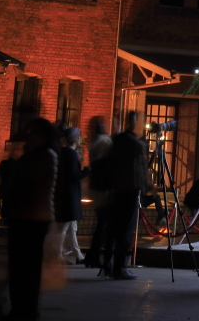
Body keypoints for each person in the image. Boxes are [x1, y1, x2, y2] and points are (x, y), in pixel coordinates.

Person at [3, 116, 59, 321]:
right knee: (19, 267)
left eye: (33, 133)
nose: (29, 138)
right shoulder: (36, 155)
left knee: (28, 269)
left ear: (42, 136)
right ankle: (20, 307)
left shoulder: (45, 156)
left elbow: (29, 183)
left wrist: (15, 165)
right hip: (25, 216)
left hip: (34, 219)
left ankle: (26, 309)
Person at [107, 110, 147, 280]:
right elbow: (142, 165)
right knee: (126, 229)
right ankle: (120, 267)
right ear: (134, 122)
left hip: (116, 190)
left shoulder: (118, 140)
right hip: (129, 190)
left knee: (115, 228)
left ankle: (110, 264)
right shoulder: (133, 143)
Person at [49, 126, 84, 263]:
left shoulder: (63, 153)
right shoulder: (71, 154)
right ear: (75, 138)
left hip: (66, 195)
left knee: (71, 227)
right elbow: (73, 175)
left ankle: (78, 254)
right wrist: (86, 172)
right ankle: (57, 255)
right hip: (70, 196)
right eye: (79, 136)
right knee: (65, 227)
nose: (81, 138)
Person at [82, 117, 113, 272]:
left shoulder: (93, 142)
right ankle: (94, 256)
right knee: (103, 225)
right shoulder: (105, 142)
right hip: (104, 187)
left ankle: (91, 256)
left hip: (95, 185)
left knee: (101, 224)